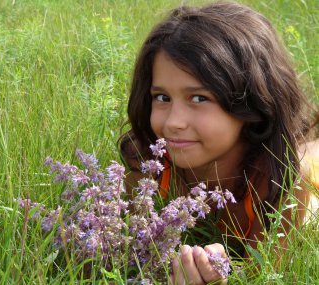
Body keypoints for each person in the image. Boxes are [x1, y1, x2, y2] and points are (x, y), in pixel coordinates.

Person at [119, 1, 318, 284]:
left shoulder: (283, 180)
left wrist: (221, 278)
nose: (174, 122)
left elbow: (265, 274)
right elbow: (129, 246)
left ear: (251, 101)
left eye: (199, 98)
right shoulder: (149, 167)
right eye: (162, 97)